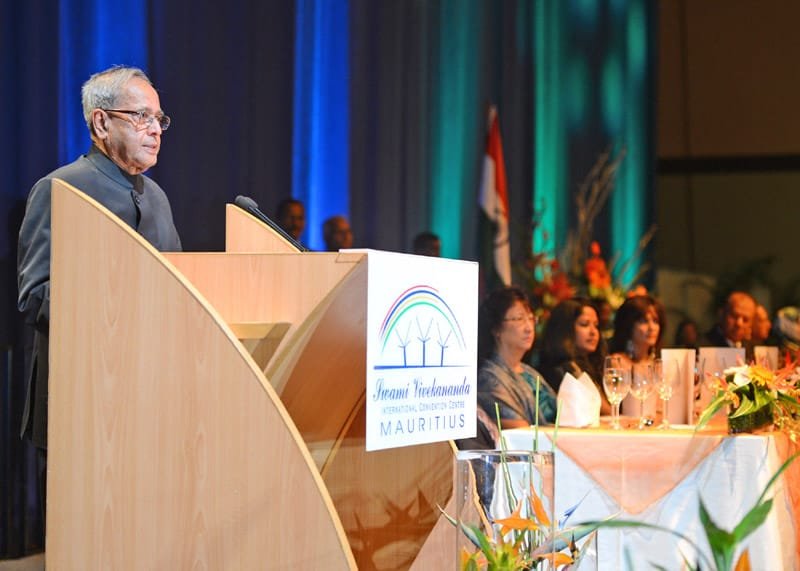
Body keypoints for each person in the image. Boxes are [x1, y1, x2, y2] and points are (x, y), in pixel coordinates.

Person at [17, 66, 181, 511]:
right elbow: (34, 294)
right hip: (85, 398)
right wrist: (118, 312)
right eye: (141, 116)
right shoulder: (62, 189)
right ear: (101, 123)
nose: (154, 130)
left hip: (153, 394)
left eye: (159, 119)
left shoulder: (157, 197)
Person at [476, 287, 557, 431]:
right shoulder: (489, 379)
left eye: (531, 319)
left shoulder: (529, 372)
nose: (529, 328)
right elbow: (521, 435)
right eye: (519, 319)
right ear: (496, 329)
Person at [538, 298, 610, 414]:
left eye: (596, 325)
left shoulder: (594, 364)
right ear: (565, 329)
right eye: (584, 324)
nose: (593, 332)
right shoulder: (562, 370)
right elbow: (606, 412)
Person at [608, 295, 664, 418]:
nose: (651, 328)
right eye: (643, 321)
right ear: (629, 325)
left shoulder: (660, 365)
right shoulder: (617, 362)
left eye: (655, 321)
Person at [701, 291, 756, 357]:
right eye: (734, 316)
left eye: (745, 319)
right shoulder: (703, 347)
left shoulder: (753, 351)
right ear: (721, 314)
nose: (739, 323)